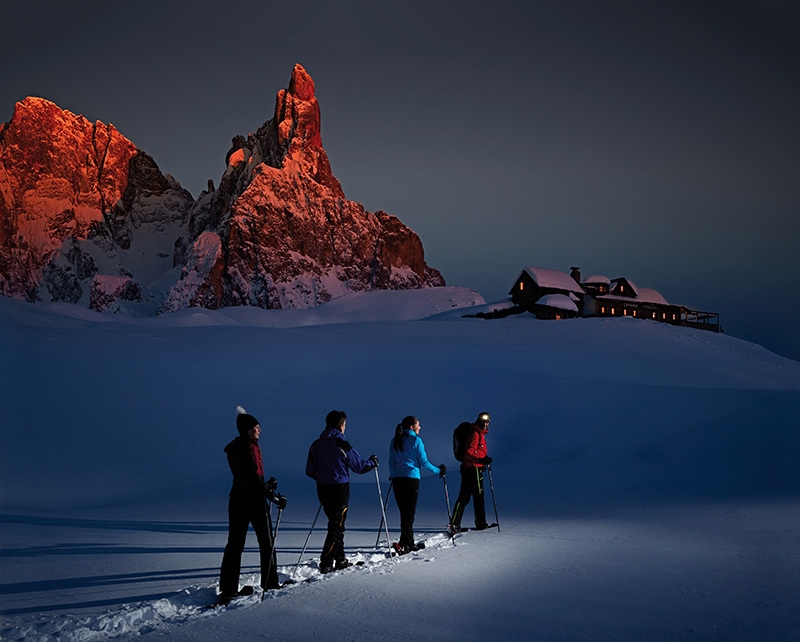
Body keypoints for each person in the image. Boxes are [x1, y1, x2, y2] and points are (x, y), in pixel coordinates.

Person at [217, 406, 287, 605]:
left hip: (237, 499)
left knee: (234, 545)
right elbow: (254, 478)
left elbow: (246, 476)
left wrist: (266, 485)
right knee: (267, 542)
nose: (259, 430)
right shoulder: (251, 447)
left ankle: (228, 589)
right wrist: (273, 495)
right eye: (256, 427)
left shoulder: (234, 448)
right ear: (248, 429)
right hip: (255, 501)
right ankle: (270, 582)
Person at [305, 410, 378, 573]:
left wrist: (322, 476)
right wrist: (372, 463)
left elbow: (309, 470)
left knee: (336, 524)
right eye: (344, 425)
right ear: (340, 425)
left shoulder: (316, 444)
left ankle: (340, 559)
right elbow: (359, 466)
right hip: (339, 489)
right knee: (336, 527)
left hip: (322, 488)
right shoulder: (341, 443)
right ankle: (326, 563)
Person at [388, 415, 446, 554]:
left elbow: (391, 462)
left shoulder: (395, 440)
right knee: (409, 513)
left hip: (397, 479)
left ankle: (407, 541)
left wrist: (394, 474)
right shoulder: (416, 441)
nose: (420, 427)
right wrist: (438, 471)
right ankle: (406, 543)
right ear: (411, 427)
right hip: (411, 479)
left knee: (405, 512)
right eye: (418, 425)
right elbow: (423, 462)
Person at [449, 412, 495, 533]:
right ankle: (480, 523)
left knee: (464, 497)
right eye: (484, 421)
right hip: (473, 469)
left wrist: (483, 459)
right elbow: (469, 452)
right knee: (478, 497)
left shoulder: (479, 434)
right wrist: (481, 460)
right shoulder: (475, 433)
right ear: (479, 421)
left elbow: (477, 452)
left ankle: (455, 523)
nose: (486, 424)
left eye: (487, 422)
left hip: (469, 468)